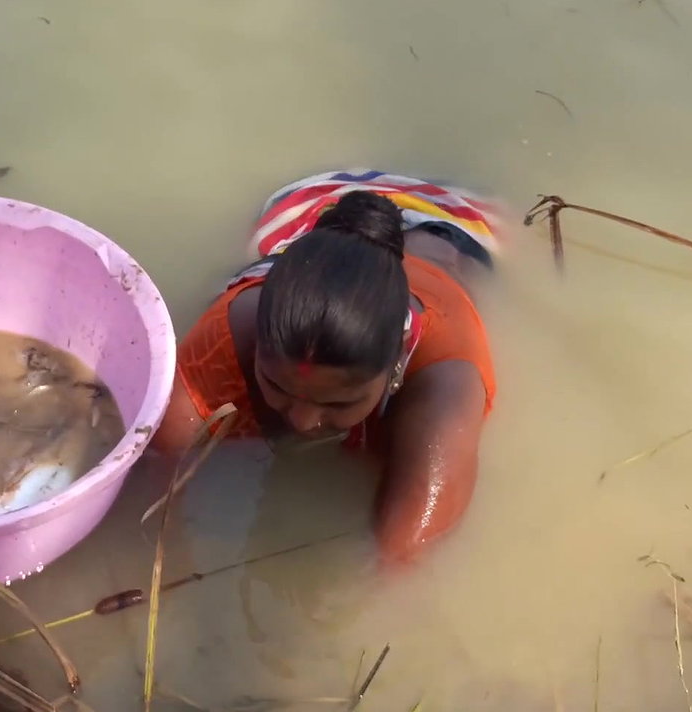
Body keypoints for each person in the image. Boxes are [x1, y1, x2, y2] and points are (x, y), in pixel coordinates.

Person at [153, 169, 501, 566]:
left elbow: (402, 555)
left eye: (338, 404)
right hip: (307, 209)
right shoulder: (228, 337)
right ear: (256, 346)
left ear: (395, 369)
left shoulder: (445, 378)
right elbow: (154, 498)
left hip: (450, 227)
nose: (302, 421)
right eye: (277, 386)